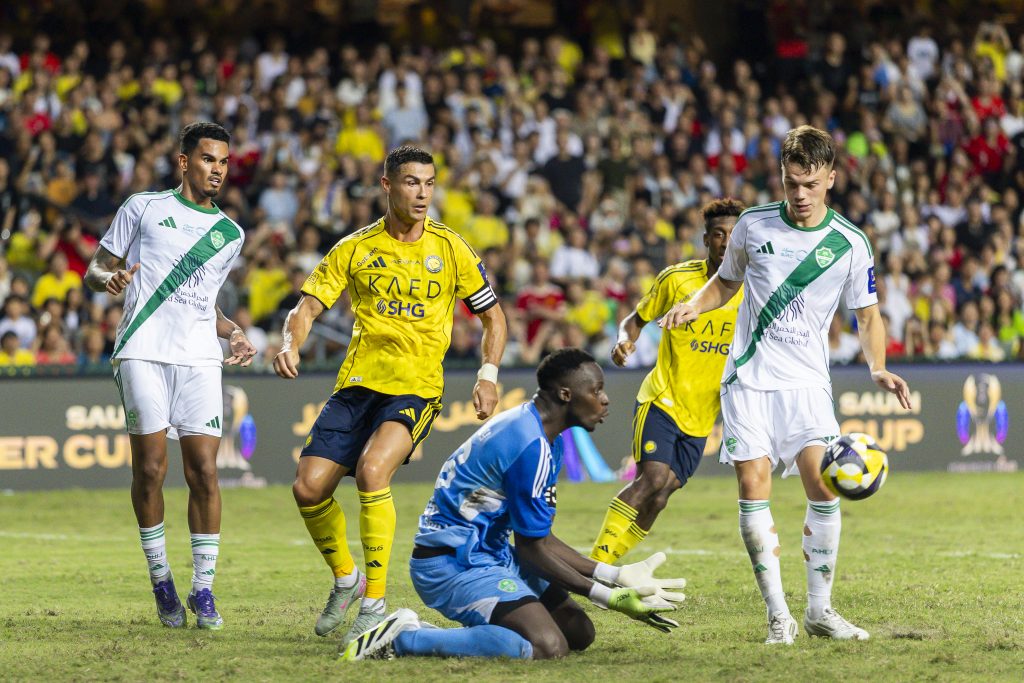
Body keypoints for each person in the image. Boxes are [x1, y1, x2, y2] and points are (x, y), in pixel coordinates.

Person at [660, 126, 911, 644]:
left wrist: (877, 368)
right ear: (781, 176)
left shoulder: (850, 244)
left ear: (832, 180)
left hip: (806, 384)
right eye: (791, 182)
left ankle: (820, 610)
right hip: (749, 378)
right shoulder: (752, 225)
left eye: (811, 184)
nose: (799, 194)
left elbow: (867, 316)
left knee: (822, 487)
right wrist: (693, 304)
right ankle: (779, 615)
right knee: (753, 487)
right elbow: (727, 281)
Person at [274, 145, 508, 646]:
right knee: (308, 488)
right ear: (387, 185)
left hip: (416, 387)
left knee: (372, 470)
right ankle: (347, 580)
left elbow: (493, 315)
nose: (421, 193)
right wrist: (290, 341)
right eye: (410, 182)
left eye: (428, 182)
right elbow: (307, 305)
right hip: (358, 384)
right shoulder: (356, 247)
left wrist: (487, 373)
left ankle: (375, 604)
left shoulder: (452, 248)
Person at [340, 349, 686, 661]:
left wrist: (614, 575)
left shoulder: (540, 432)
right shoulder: (529, 444)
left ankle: (473, 632)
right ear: (566, 395)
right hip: (452, 564)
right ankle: (404, 639)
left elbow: (541, 539)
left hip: (488, 553)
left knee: (578, 632)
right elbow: (533, 550)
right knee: (548, 646)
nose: (605, 400)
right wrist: (606, 595)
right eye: (596, 390)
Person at [84, 121, 256, 631]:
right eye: (208, 159)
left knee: (204, 470)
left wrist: (234, 332)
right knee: (152, 469)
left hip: (200, 357)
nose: (217, 170)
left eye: (224, 162)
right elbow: (95, 269)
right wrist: (109, 279)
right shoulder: (143, 208)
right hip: (142, 350)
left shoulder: (230, 235)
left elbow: (207, 304)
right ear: (184, 162)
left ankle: (203, 590)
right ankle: (162, 580)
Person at [590, 198, 745, 565]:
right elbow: (635, 318)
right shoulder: (677, 280)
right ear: (706, 240)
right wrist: (624, 339)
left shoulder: (754, 288)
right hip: (662, 397)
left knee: (661, 496)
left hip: (703, 413)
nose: (726, 241)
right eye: (718, 234)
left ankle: (609, 563)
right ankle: (595, 569)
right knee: (651, 480)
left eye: (734, 235)